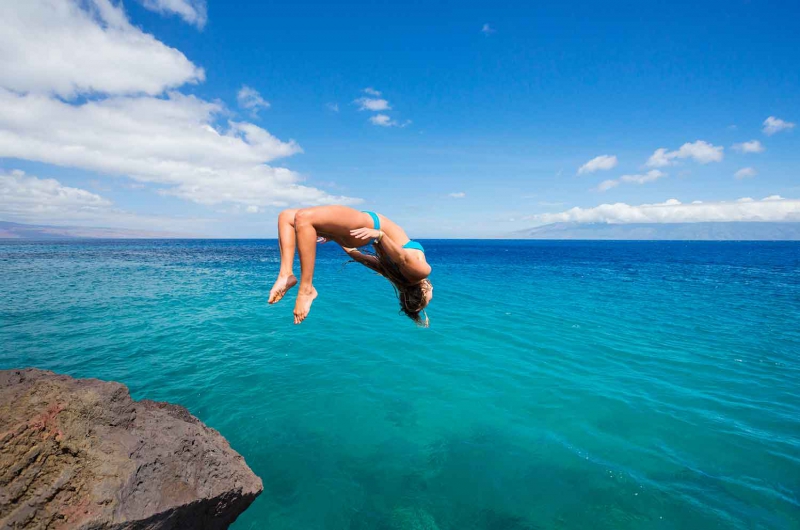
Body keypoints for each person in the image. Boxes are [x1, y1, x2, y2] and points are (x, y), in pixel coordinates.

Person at [268, 206, 433, 325]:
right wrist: (337, 234)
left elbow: (402, 257)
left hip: (371, 226)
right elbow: (355, 254)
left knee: (303, 217)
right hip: (356, 233)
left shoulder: (421, 272)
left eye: (428, 297)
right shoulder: (393, 273)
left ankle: (307, 289)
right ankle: (286, 274)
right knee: (287, 217)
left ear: (423, 291)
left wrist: (381, 236)